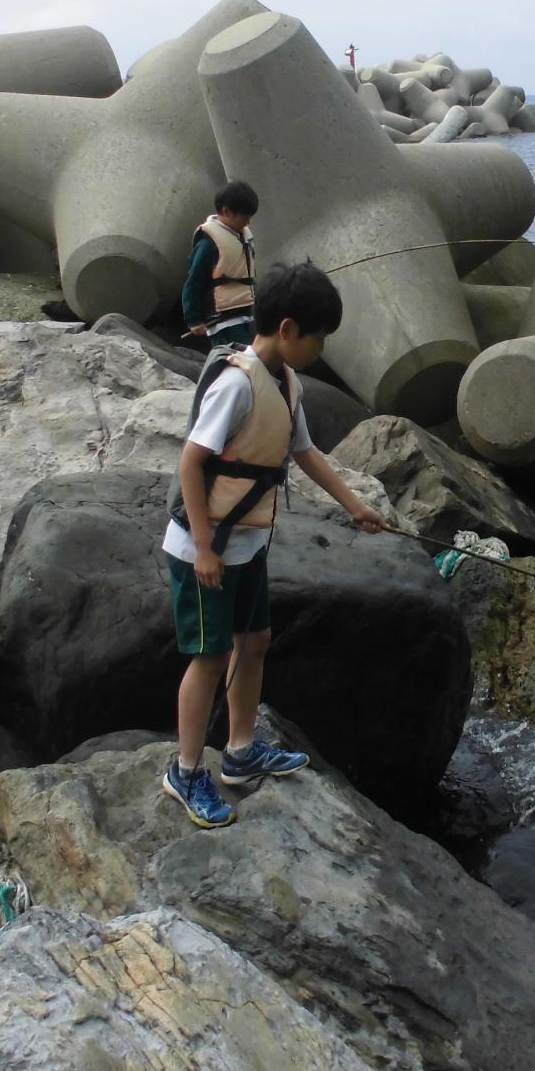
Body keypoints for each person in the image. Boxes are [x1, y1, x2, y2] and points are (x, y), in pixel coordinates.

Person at [159, 261, 388, 828]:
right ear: (288, 329)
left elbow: (306, 452)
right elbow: (192, 461)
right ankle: (185, 772)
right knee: (209, 657)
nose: (320, 348)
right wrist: (206, 547)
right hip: (204, 549)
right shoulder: (237, 382)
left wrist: (353, 504)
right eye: (319, 337)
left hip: (246, 545)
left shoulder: (286, 382)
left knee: (254, 640)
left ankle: (240, 752)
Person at [182, 180, 259, 349]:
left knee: (255, 362)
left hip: (247, 314)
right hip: (223, 321)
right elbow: (194, 281)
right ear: (226, 211)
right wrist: (194, 319)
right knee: (237, 363)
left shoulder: (241, 236)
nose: (247, 223)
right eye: (244, 217)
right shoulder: (208, 243)